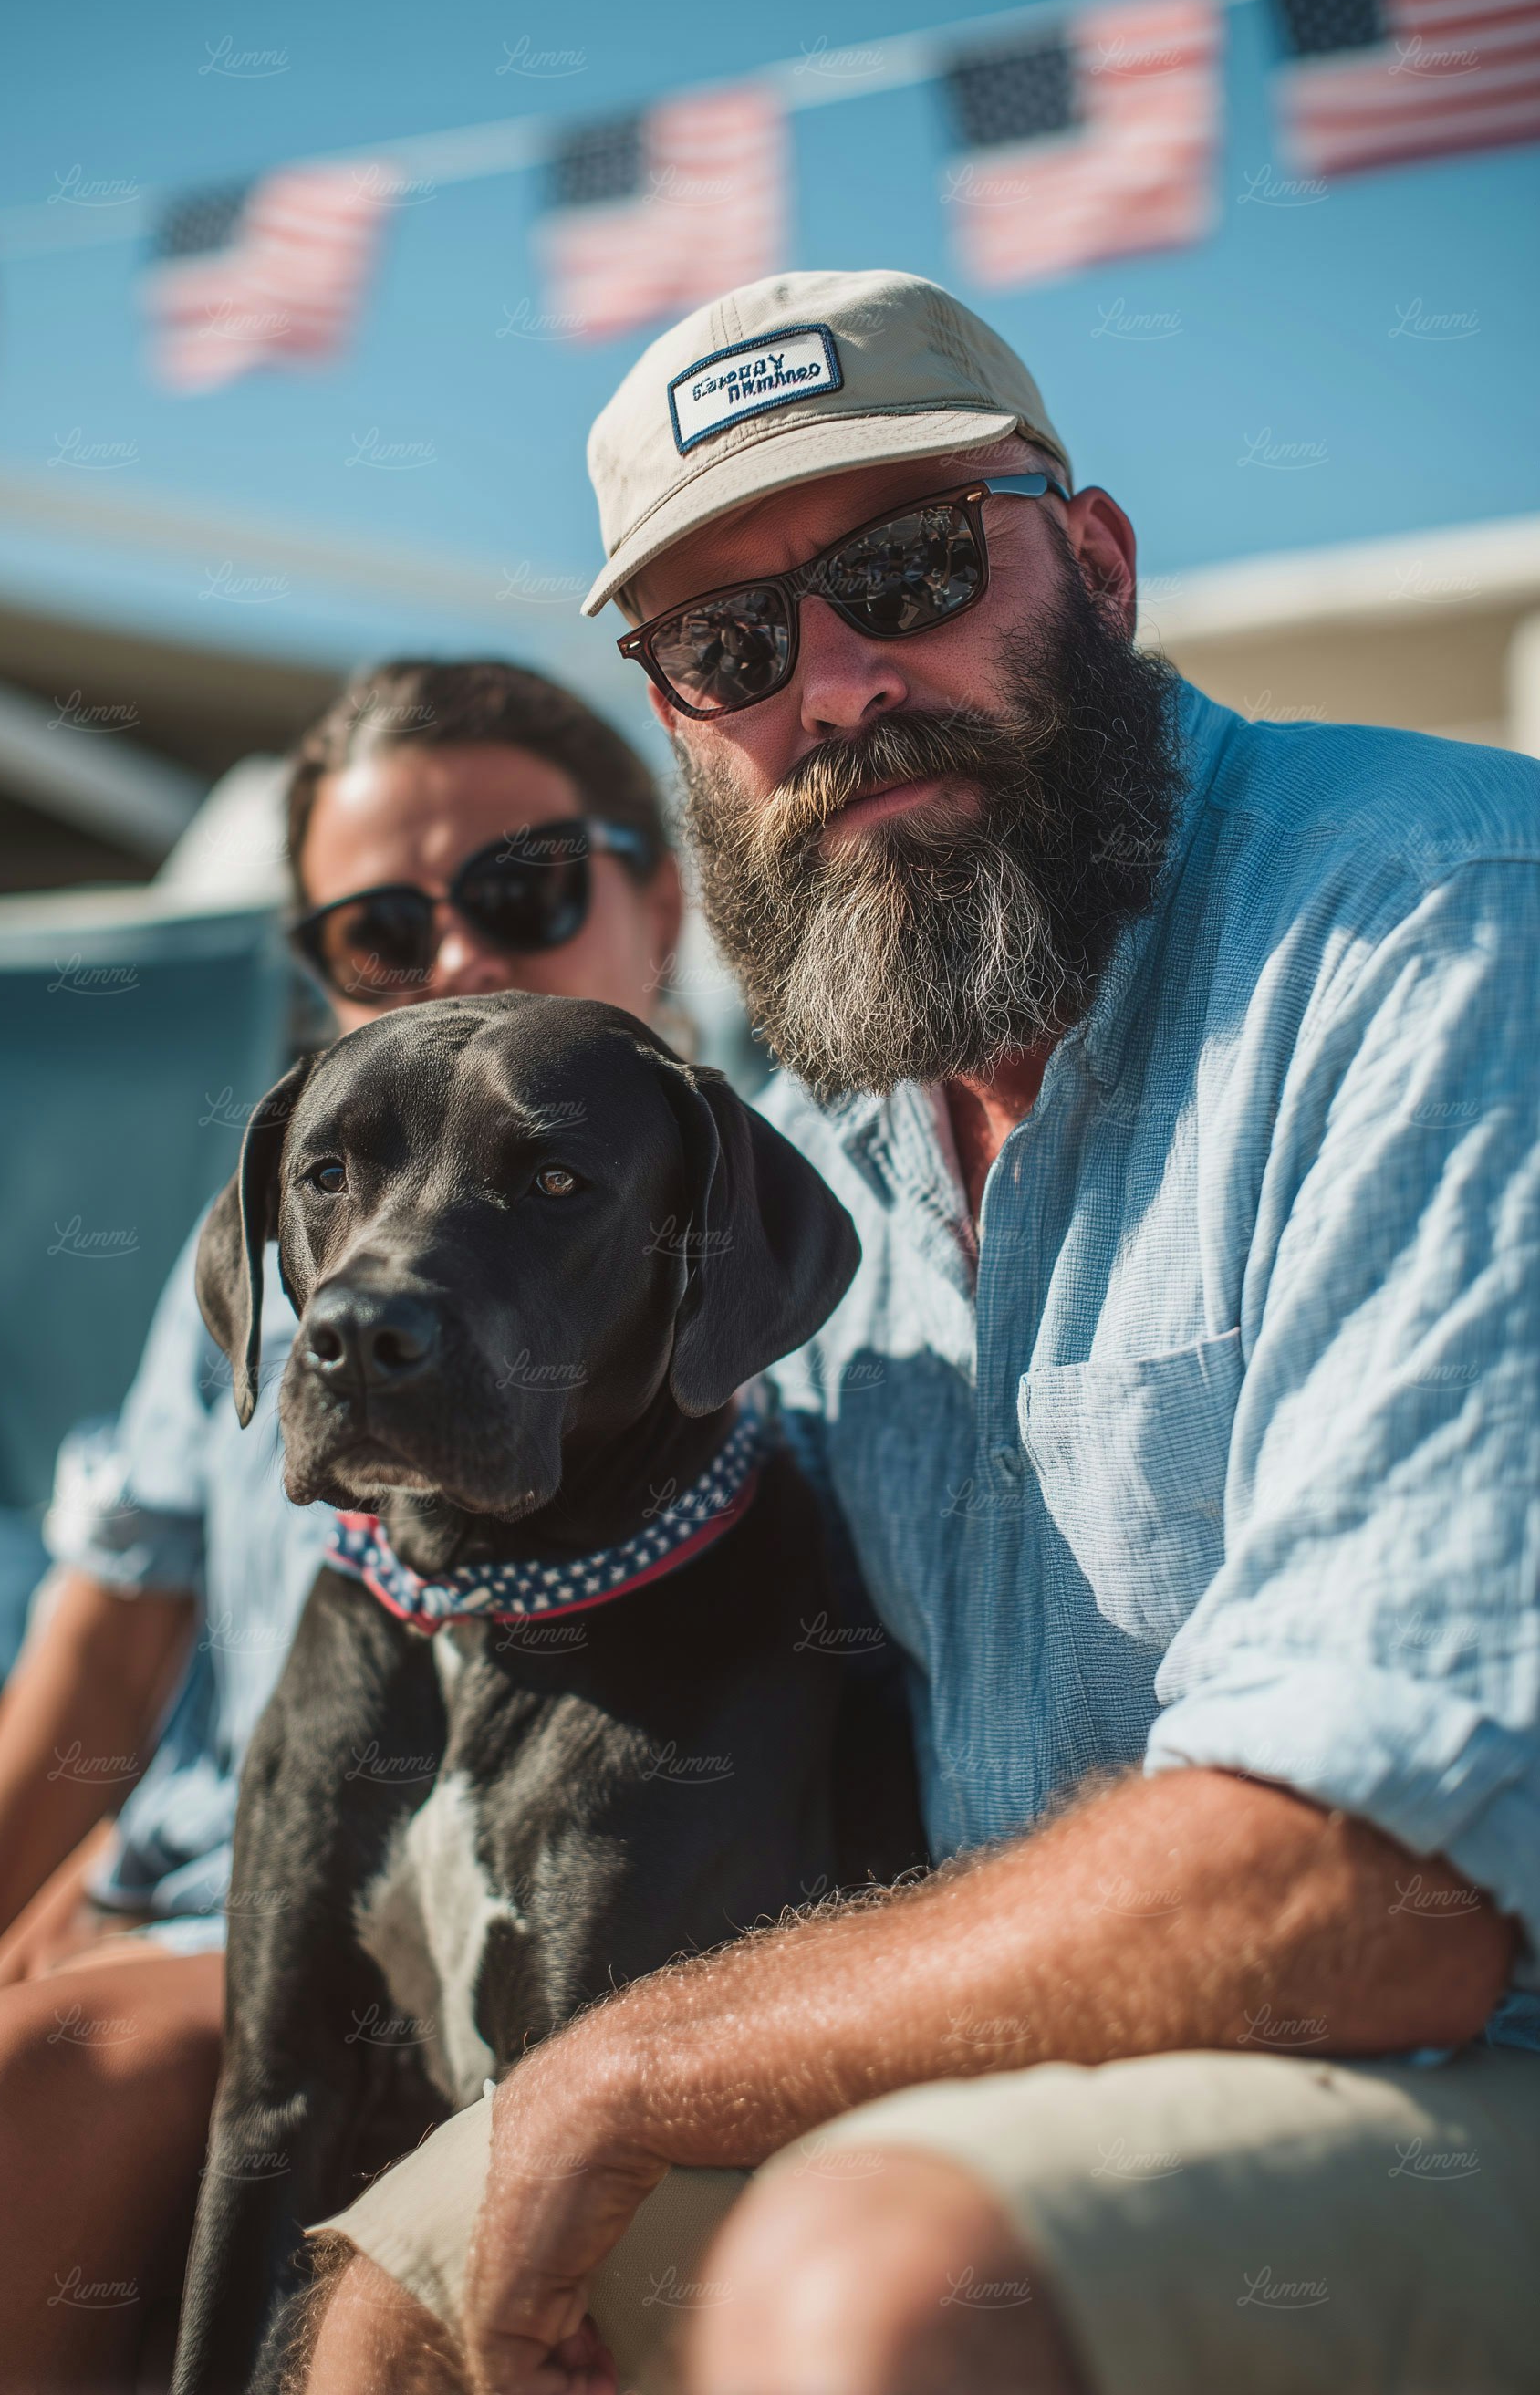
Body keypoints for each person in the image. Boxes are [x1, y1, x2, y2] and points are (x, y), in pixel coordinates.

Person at [305, 273, 1540, 2395]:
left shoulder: (1435, 932)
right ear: (683, 726)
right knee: (405, 2292)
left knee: (877, 2278)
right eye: (725, 645)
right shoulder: (797, 1163)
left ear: (1100, 564)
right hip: (1022, 2059)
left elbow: (1372, 1897)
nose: (837, 685)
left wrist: (636, 2060)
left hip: (1454, 2039)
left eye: (906, 570)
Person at [0, 658, 682, 2395]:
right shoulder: (279, 1242)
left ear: (667, 906)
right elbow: (109, 1632)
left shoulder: (734, 1235)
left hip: (521, 1950)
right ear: (321, 977)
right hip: (200, 1896)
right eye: (379, 937)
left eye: (525, 892)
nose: (457, 962)